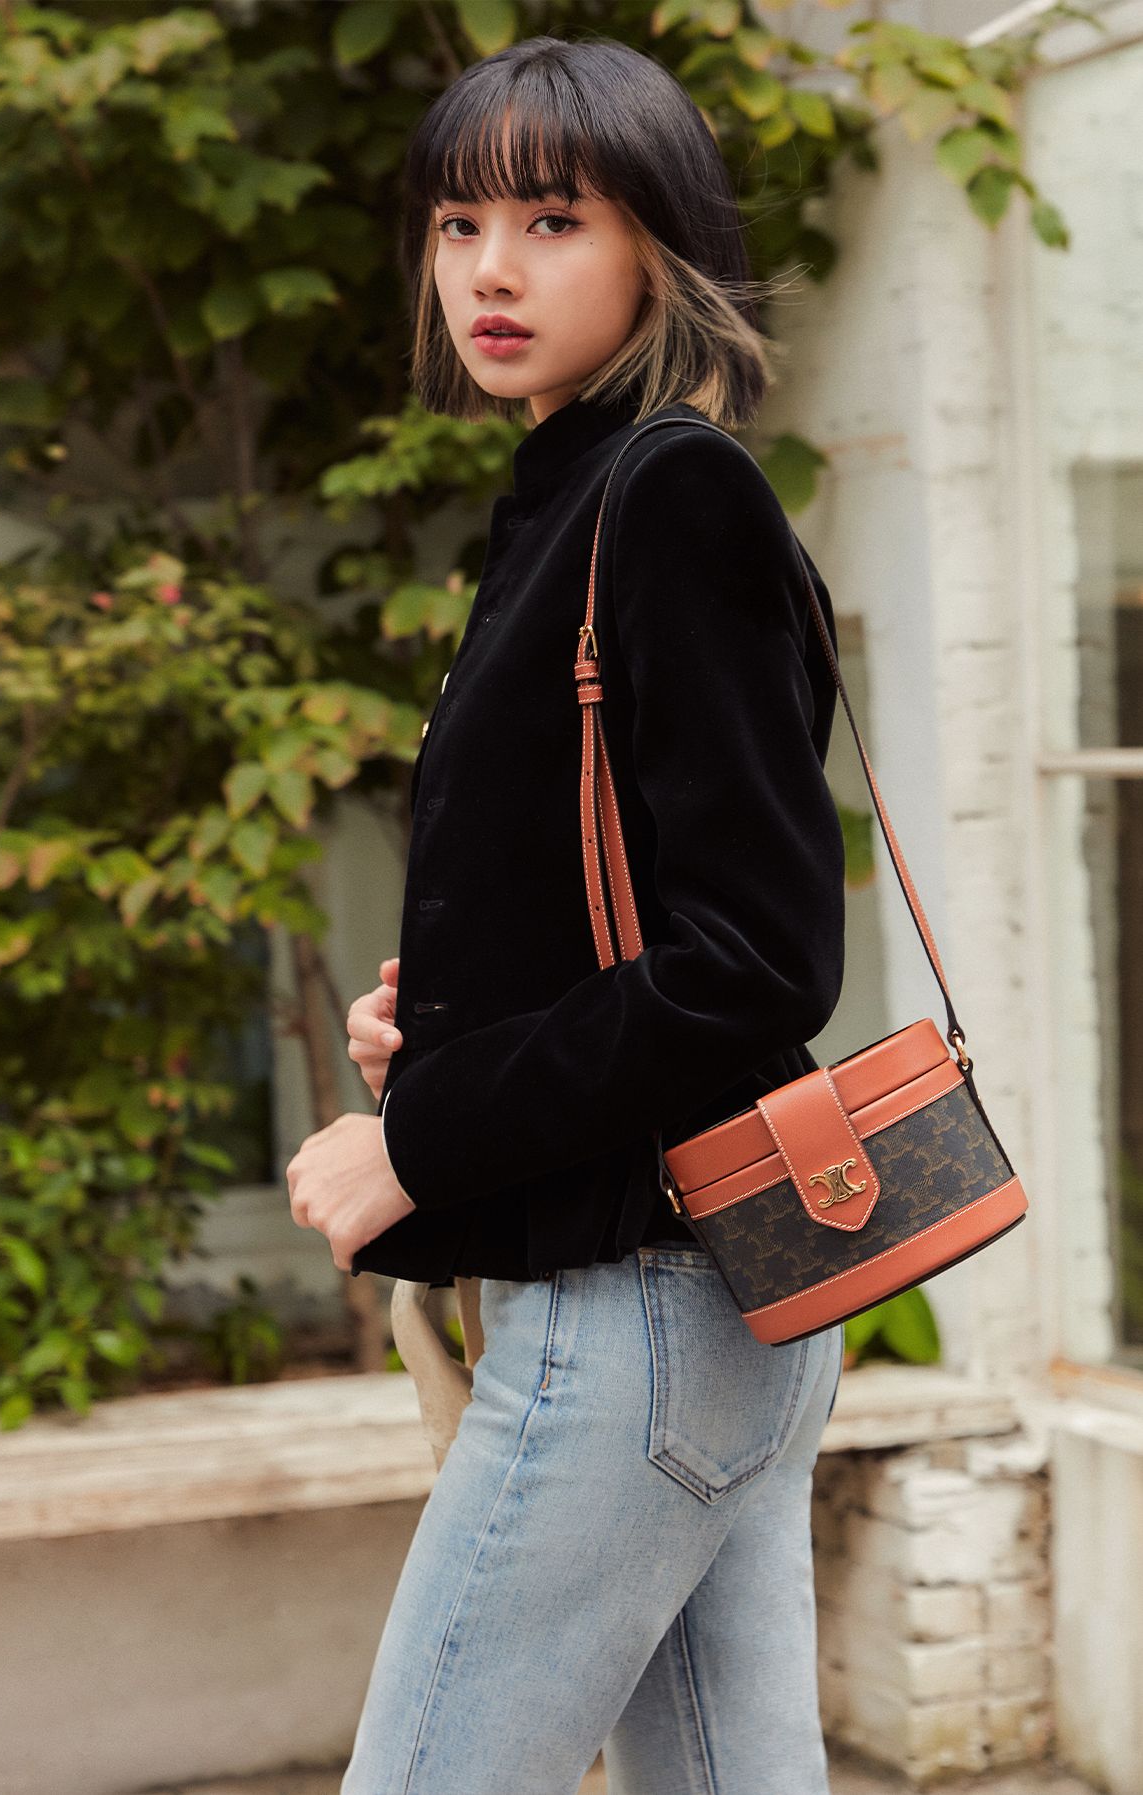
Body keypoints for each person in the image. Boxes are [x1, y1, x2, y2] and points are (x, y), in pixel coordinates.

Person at [286, 32, 848, 1795]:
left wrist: (421, 1139)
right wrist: (440, 1021)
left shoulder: (666, 495)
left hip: (644, 1304)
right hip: (697, 1303)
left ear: (657, 248)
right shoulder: (572, 499)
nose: (491, 271)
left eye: (551, 220)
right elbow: (630, 913)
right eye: (459, 226)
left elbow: (754, 959)